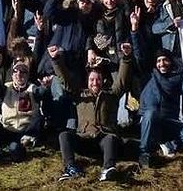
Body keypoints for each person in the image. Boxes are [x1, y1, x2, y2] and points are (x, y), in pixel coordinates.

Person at [51, 33, 135, 183]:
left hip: (105, 142)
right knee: (64, 135)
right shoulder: (80, 94)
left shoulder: (111, 95)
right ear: (87, 82)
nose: (95, 83)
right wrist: (56, 60)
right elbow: (66, 81)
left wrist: (126, 58)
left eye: (98, 80)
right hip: (85, 140)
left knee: (110, 138)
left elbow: (121, 80)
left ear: (102, 81)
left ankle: (108, 169)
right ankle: (71, 168)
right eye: (91, 80)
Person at [135, 41, 183, 169]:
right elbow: (138, 54)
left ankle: (169, 143)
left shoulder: (178, 78)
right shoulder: (149, 75)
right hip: (150, 122)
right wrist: (134, 30)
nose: (162, 64)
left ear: (170, 61)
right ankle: (145, 153)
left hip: (169, 121)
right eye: (159, 61)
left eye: (165, 60)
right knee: (150, 113)